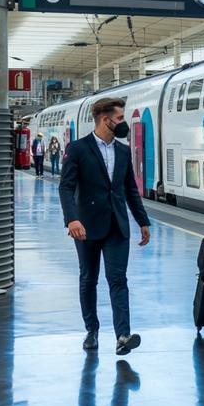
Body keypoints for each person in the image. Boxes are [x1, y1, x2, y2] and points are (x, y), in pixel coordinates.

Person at [59, 97, 151, 355]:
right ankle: (92, 330)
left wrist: (143, 221)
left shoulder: (123, 151)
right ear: (104, 119)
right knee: (88, 278)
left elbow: (130, 190)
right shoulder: (78, 148)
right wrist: (72, 219)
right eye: (120, 118)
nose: (123, 123)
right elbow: (66, 187)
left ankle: (123, 335)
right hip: (85, 227)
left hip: (117, 226)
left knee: (118, 279)